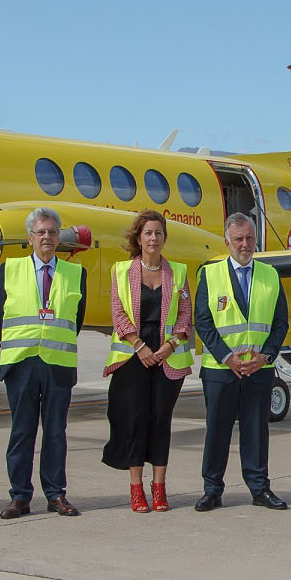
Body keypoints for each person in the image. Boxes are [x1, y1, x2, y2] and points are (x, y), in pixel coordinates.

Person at [0, 207, 88, 519]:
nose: (47, 237)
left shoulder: (76, 274)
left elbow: (78, 317)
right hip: (21, 362)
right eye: (41, 232)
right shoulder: (10, 270)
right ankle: (19, 496)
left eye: (52, 232)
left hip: (57, 364)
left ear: (58, 238)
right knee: (22, 431)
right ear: (30, 237)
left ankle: (56, 494)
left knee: (56, 432)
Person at [193, 213, 290, 512]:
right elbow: (203, 321)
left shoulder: (270, 275)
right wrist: (226, 356)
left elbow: (280, 323)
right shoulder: (210, 275)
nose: (245, 244)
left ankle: (260, 488)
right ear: (227, 242)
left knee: (256, 431)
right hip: (221, 370)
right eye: (238, 239)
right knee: (217, 431)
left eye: (249, 238)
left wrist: (266, 356)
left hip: (259, 370)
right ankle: (212, 490)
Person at [101, 211, 193, 513]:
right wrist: (139, 346)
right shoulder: (121, 271)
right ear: (138, 238)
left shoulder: (177, 272)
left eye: (158, 233)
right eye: (148, 233)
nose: (153, 238)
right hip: (133, 357)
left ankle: (159, 487)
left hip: (166, 358)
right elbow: (118, 313)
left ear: (164, 237)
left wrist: (169, 346)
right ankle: (136, 489)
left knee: (161, 421)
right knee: (135, 420)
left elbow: (184, 315)